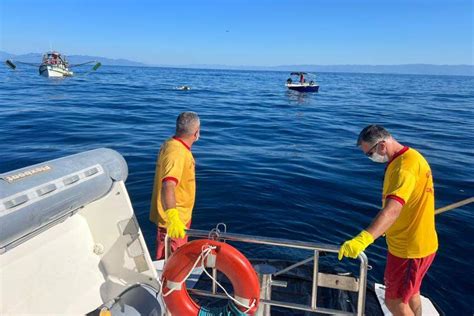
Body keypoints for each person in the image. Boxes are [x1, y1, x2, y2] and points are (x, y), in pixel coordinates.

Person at [338, 125, 437, 316]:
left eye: (369, 154)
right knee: (412, 293)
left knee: (394, 301)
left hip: (408, 249)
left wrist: (363, 239)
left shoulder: (403, 169)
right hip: (423, 244)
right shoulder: (412, 157)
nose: (370, 158)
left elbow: (392, 210)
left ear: (382, 145)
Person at [149, 112, 200, 260]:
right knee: (171, 261)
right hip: (173, 222)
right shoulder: (177, 153)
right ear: (196, 132)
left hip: (180, 217)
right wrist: (173, 218)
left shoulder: (171, 144)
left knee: (175, 257)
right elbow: (168, 184)